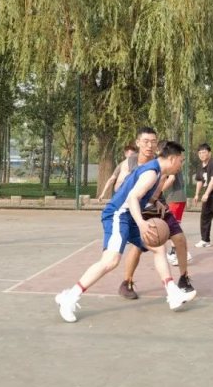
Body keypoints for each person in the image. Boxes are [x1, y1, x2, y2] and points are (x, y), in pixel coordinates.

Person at [54, 140, 196, 322]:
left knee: (158, 247)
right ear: (172, 159)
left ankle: (173, 293)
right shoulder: (152, 173)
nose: (181, 165)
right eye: (181, 161)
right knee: (110, 261)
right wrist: (142, 223)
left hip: (129, 216)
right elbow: (133, 198)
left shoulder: (156, 171)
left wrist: (154, 203)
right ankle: (69, 297)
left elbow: (139, 194)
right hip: (118, 215)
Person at [113, 129, 194, 300]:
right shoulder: (130, 162)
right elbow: (119, 187)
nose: (149, 145)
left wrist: (155, 199)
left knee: (180, 239)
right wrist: (132, 187)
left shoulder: (160, 161)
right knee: (139, 246)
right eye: (146, 141)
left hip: (157, 204)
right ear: (138, 143)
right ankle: (127, 282)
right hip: (139, 207)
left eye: (153, 142)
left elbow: (165, 179)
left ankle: (183, 278)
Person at [162, 169, 191, 266]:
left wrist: (160, 190)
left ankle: (182, 253)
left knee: (173, 228)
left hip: (174, 198)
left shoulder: (170, 165)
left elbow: (171, 178)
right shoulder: (175, 165)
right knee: (175, 226)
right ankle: (175, 252)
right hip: (178, 198)